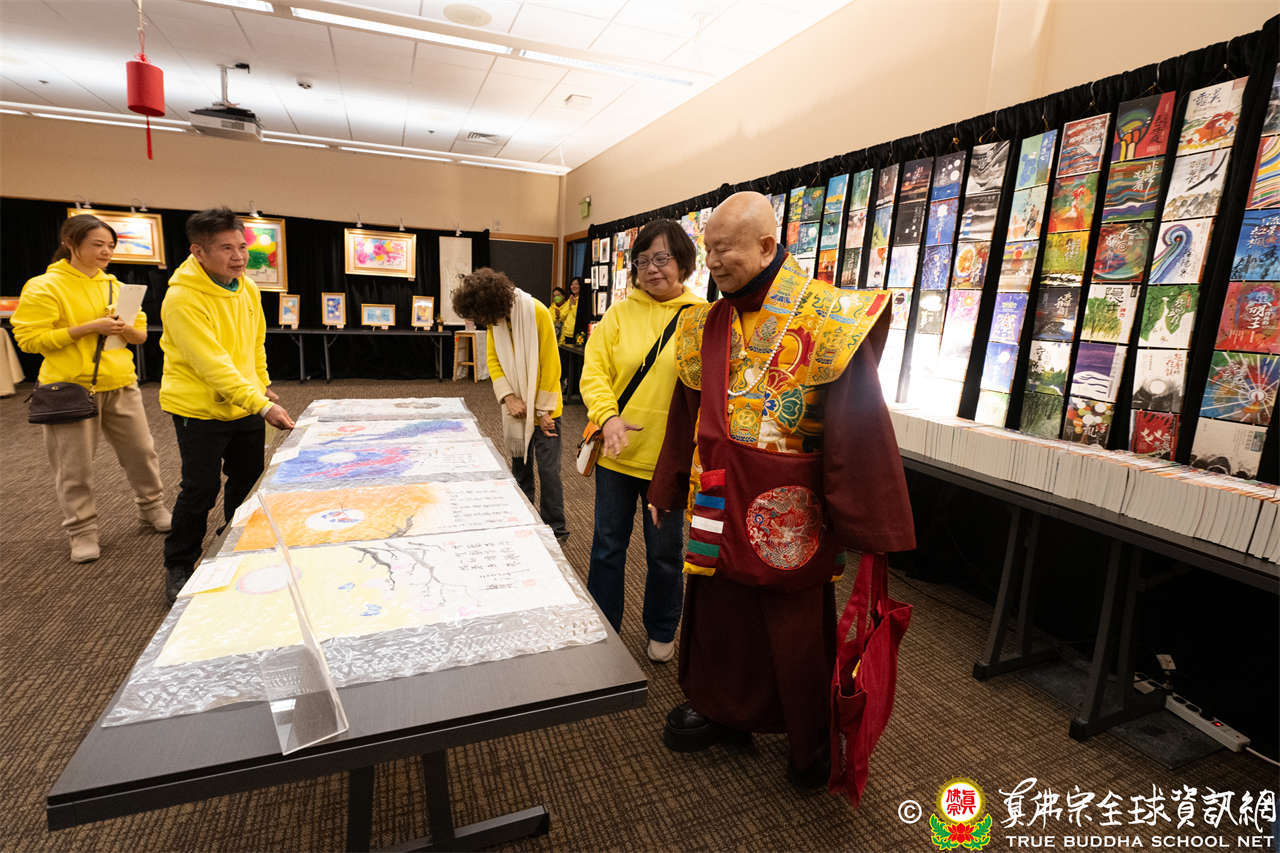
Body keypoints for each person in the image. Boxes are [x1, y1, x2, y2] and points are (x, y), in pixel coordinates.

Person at [647, 192, 915, 787]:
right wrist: (666, 485)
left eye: (724, 249)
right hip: (717, 494)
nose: (712, 262)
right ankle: (722, 710)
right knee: (717, 611)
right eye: (709, 250)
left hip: (788, 505)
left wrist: (868, 522)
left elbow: (857, 422)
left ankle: (809, 739)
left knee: (792, 626)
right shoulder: (703, 323)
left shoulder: (827, 316)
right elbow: (685, 413)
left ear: (768, 246)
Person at [580, 220, 705, 662]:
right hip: (616, 457)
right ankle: (604, 626)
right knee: (607, 547)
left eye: (662, 258)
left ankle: (662, 627)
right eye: (643, 261)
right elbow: (594, 372)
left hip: (668, 464)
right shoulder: (618, 314)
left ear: (684, 263)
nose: (652, 269)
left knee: (665, 554)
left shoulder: (702, 318)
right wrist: (608, 416)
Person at [12, 214, 170, 563]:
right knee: (74, 467)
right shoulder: (44, 286)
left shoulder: (118, 287)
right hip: (68, 389)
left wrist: (123, 330)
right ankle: (81, 531)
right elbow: (29, 339)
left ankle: (152, 507)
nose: (106, 252)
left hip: (121, 383)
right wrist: (88, 328)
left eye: (110, 245)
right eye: (97, 245)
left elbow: (140, 336)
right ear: (70, 243)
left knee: (142, 453)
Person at [160, 207, 295, 604]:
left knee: (248, 480)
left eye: (241, 247)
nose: (238, 257)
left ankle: (236, 544)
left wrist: (261, 385)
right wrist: (261, 405)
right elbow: (212, 365)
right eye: (226, 248)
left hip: (246, 403)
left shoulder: (247, 288)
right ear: (198, 252)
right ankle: (179, 563)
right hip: (198, 410)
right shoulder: (182, 299)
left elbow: (255, 344)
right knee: (200, 489)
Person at [453, 268, 568, 541]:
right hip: (516, 409)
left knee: (549, 472)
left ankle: (556, 529)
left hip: (546, 410)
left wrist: (544, 411)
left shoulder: (537, 312)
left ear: (494, 303)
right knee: (520, 469)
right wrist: (509, 397)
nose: (486, 323)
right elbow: (493, 360)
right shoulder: (495, 321)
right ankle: (524, 520)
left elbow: (551, 365)